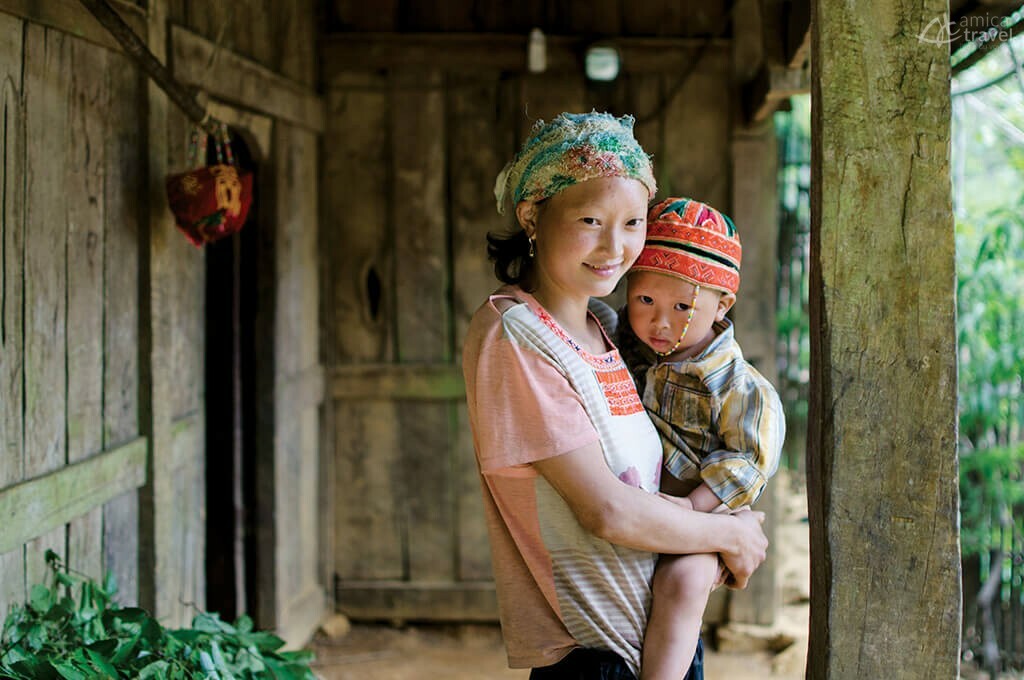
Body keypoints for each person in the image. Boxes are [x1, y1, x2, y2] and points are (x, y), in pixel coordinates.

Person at [461, 112, 769, 680]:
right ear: (533, 215)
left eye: (632, 223)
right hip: (593, 659)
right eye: (590, 219)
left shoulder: (610, 331)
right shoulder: (514, 334)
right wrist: (730, 532)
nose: (615, 246)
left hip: (653, 642)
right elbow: (606, 510)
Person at [615, 197, 786, 680]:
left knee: (685, 580)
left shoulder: (740, 387)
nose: (660, 321)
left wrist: (693, 510)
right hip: (638, 512)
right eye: (644, 300)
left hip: (701, 514)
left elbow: (747, 460)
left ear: (722, 305)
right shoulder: (620, 344)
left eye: (682, 307)